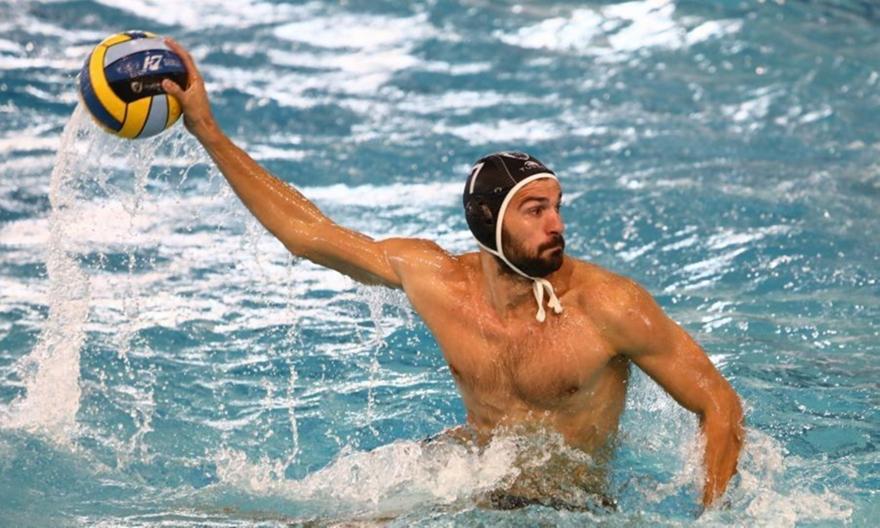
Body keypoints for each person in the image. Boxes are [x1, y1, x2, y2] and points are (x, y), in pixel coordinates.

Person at [160, 38, 744, 510]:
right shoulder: (436, 280)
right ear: (487, 222)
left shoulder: (609, 306)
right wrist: (208, 131)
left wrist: (711, 516)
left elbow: (720, 406)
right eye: (535, 210)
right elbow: (307, 234)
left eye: (557, 207)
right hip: (468, 480)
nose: (557, 225)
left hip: (569, 506)